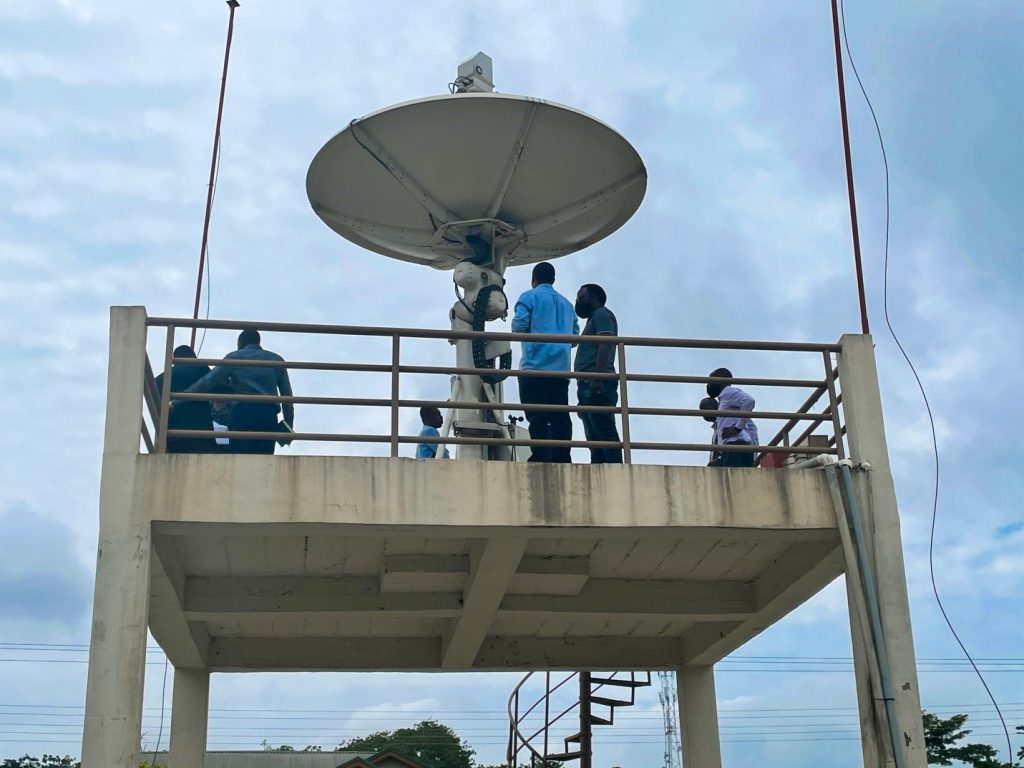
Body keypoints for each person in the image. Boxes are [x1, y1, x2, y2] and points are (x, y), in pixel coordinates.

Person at [181, 329, 294, 454]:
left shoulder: (234, 357)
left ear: (240, 343)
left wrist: (178, 400)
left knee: (241, 460)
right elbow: (287, 397)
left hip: (244, 413)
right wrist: (288, 426)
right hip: (268, 416)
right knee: (265, 462)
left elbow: (206, 382)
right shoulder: (276, 359)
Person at [511, 262, 578, 463]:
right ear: (553, 279)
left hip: (534, 367)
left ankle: (540, 455)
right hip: (560, 370)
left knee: (537, 415)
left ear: (533, 279)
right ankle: (562, 456)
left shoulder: (529, 297)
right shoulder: (567, 304)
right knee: (560, 416)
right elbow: (575, 335)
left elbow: (518, 326)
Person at [573, 283, 621, 464]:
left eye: (581, 298)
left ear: (593, 298)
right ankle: (599, 471)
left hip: (596, 381)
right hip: (587, 382)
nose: (578, 302)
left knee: (604, 431)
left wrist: (598, 378)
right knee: (594, 437)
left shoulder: (602, 315)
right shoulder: (593, 319)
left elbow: (605, 344)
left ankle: (614, 471)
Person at [155, 345, 215, 453]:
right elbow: (219, 388)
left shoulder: (165, 377)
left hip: (171, 436)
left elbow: (153, 392)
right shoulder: (201, 369)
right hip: (200, 434)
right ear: (193, 357)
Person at [706, 367, 757, 467]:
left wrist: (737, 428)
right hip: (731, 448)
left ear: (722, 380)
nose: (709, 385)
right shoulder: (724, 398)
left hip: (736, 446)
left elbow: (749, 401)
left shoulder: (728, 392)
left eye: (711, 381)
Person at [699, 395, 721, 466]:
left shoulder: (725, 423)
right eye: (702, 411)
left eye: (706, 409)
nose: (704, 413)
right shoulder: (716, 427)